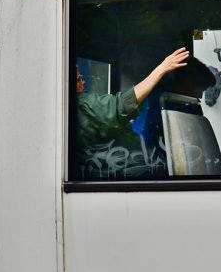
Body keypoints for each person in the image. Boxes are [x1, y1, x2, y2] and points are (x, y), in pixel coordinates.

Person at [76, 47, 190, 179]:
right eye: (78, 79)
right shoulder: (83, 103)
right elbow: (122, 105)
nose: (83, 81)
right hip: (128, 174)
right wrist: (162, 69)